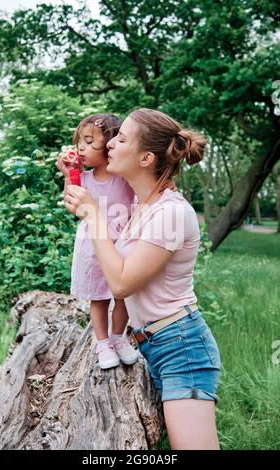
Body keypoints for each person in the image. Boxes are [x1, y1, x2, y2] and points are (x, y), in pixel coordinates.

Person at [64, 108, 221, 450]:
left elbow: (121, 284)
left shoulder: (171, 213)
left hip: (182, 348)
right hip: (151, 342)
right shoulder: (142, 203)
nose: (111, 144)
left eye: (121, 139)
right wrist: (74, 175)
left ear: (146, 157)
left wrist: (93, 213)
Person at [56, 113, 139, 369]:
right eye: (80, 141)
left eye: (90, 142)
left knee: (124, 296)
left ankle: (118, 337)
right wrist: (70, 173)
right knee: (99, 299)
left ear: (112, 145)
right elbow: (72, 202)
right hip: (92, 247)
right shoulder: (84, 179)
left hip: (121, 246)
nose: (81, 147)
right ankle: (102, 343)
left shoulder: (123, 177)